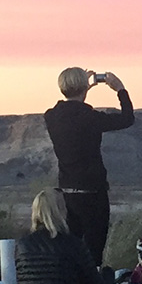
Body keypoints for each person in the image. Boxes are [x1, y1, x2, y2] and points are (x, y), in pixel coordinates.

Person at [44, 67, 134, 267]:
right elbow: (127, 119)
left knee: (69, 251)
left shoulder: (51, 116)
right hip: (92, 193)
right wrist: (120, 89)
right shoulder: (90, 117)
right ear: (85, 87)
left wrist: (80, 88)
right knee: (93, 251)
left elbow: (69, 109)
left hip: (66, 194)